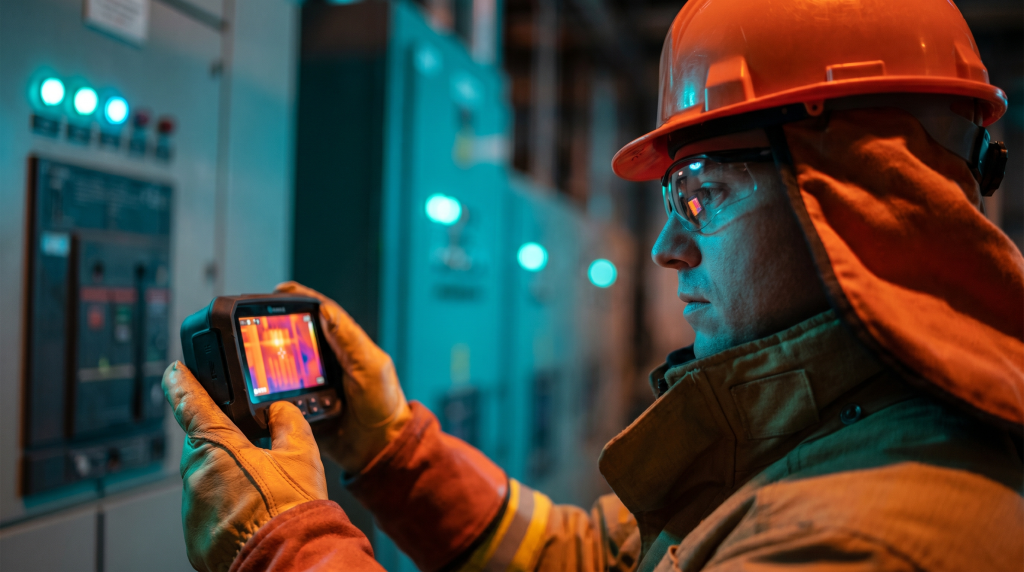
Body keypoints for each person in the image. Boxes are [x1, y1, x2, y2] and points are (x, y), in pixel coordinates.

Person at [162, 0, 1024, 570]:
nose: (666, 248)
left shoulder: (860, 541)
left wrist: (282, 546)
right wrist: (397, 453)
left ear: (854, 193)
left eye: (702, 195)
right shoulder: (836, 425)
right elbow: (595, 558)